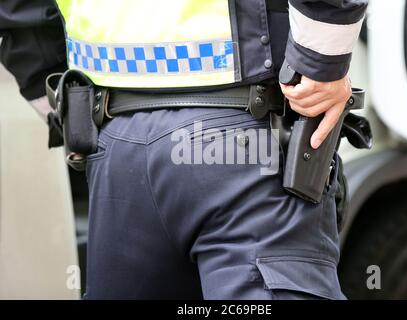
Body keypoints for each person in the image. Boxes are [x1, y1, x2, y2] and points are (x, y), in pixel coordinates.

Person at [0, 0, 367, 299]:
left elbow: (20, 12)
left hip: (115, 141)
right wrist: (321, 62)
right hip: (244, 137)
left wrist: (61, 100)